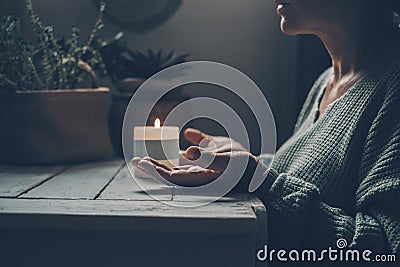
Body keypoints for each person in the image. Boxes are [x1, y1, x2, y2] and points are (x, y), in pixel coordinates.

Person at [132, 0, 400, 264]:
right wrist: (243, 160)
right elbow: (307, 179)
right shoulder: (327, 81)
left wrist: (259, 181)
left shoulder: (394, 88)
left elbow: (386, 251)